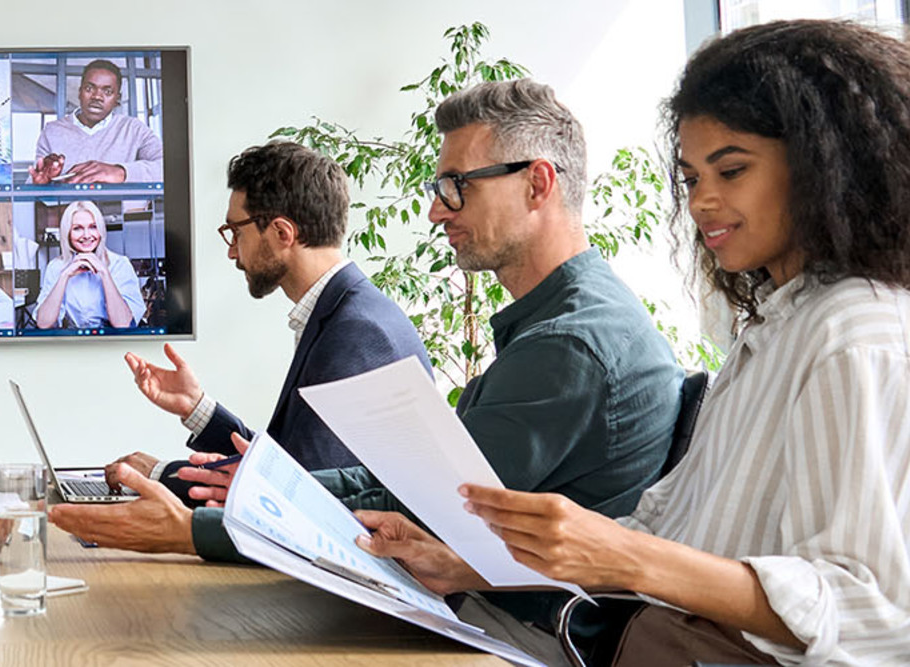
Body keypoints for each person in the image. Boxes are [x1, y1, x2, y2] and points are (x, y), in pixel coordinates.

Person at [359, 20, 910, 665]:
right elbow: (661, 533)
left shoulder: (856, 335)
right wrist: (468, 566)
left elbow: (874, 612)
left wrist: (625, 554)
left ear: (825, 168)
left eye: (730, 171)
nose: (703, 202)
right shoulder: (772, 324)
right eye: (690, 177)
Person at [53, 79, 683, 638]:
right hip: (485, 609)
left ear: (538, 183)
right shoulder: (559, 325)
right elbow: (403, 487)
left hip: (513, 631)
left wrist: (197, 525)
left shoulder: (567, 345)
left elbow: (421, 510)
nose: (436, 210)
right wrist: (235, 488)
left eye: (454, 188)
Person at [81, 141, 429, 507]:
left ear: (282, 233)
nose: (232, 250)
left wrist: (157, 475)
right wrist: (195, 407)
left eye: (237, 232)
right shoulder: (345, 311)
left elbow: (295, 496)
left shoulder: (357, 332)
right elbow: (286, 466)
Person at [28, 59, 164, 184]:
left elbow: (167, 167)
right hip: (67, 211)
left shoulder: (134, 129)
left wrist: (120, 172)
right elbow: (35, 180)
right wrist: (42, 184)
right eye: (89, 88)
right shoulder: (52, 131)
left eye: (108, 91)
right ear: (80, 92)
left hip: (120, 211)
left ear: (117, 99)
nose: (97, 96)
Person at [33, 200, 145, 328]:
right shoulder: (56, 266)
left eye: (93, 227)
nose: (87, 235)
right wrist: (64, 276)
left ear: (101, 230)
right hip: (75, 342)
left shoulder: (120, 264)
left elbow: (123, 324)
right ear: (67, 233)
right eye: (77, 228)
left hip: (113, 341)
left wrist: (105, 274)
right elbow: (43, 323)